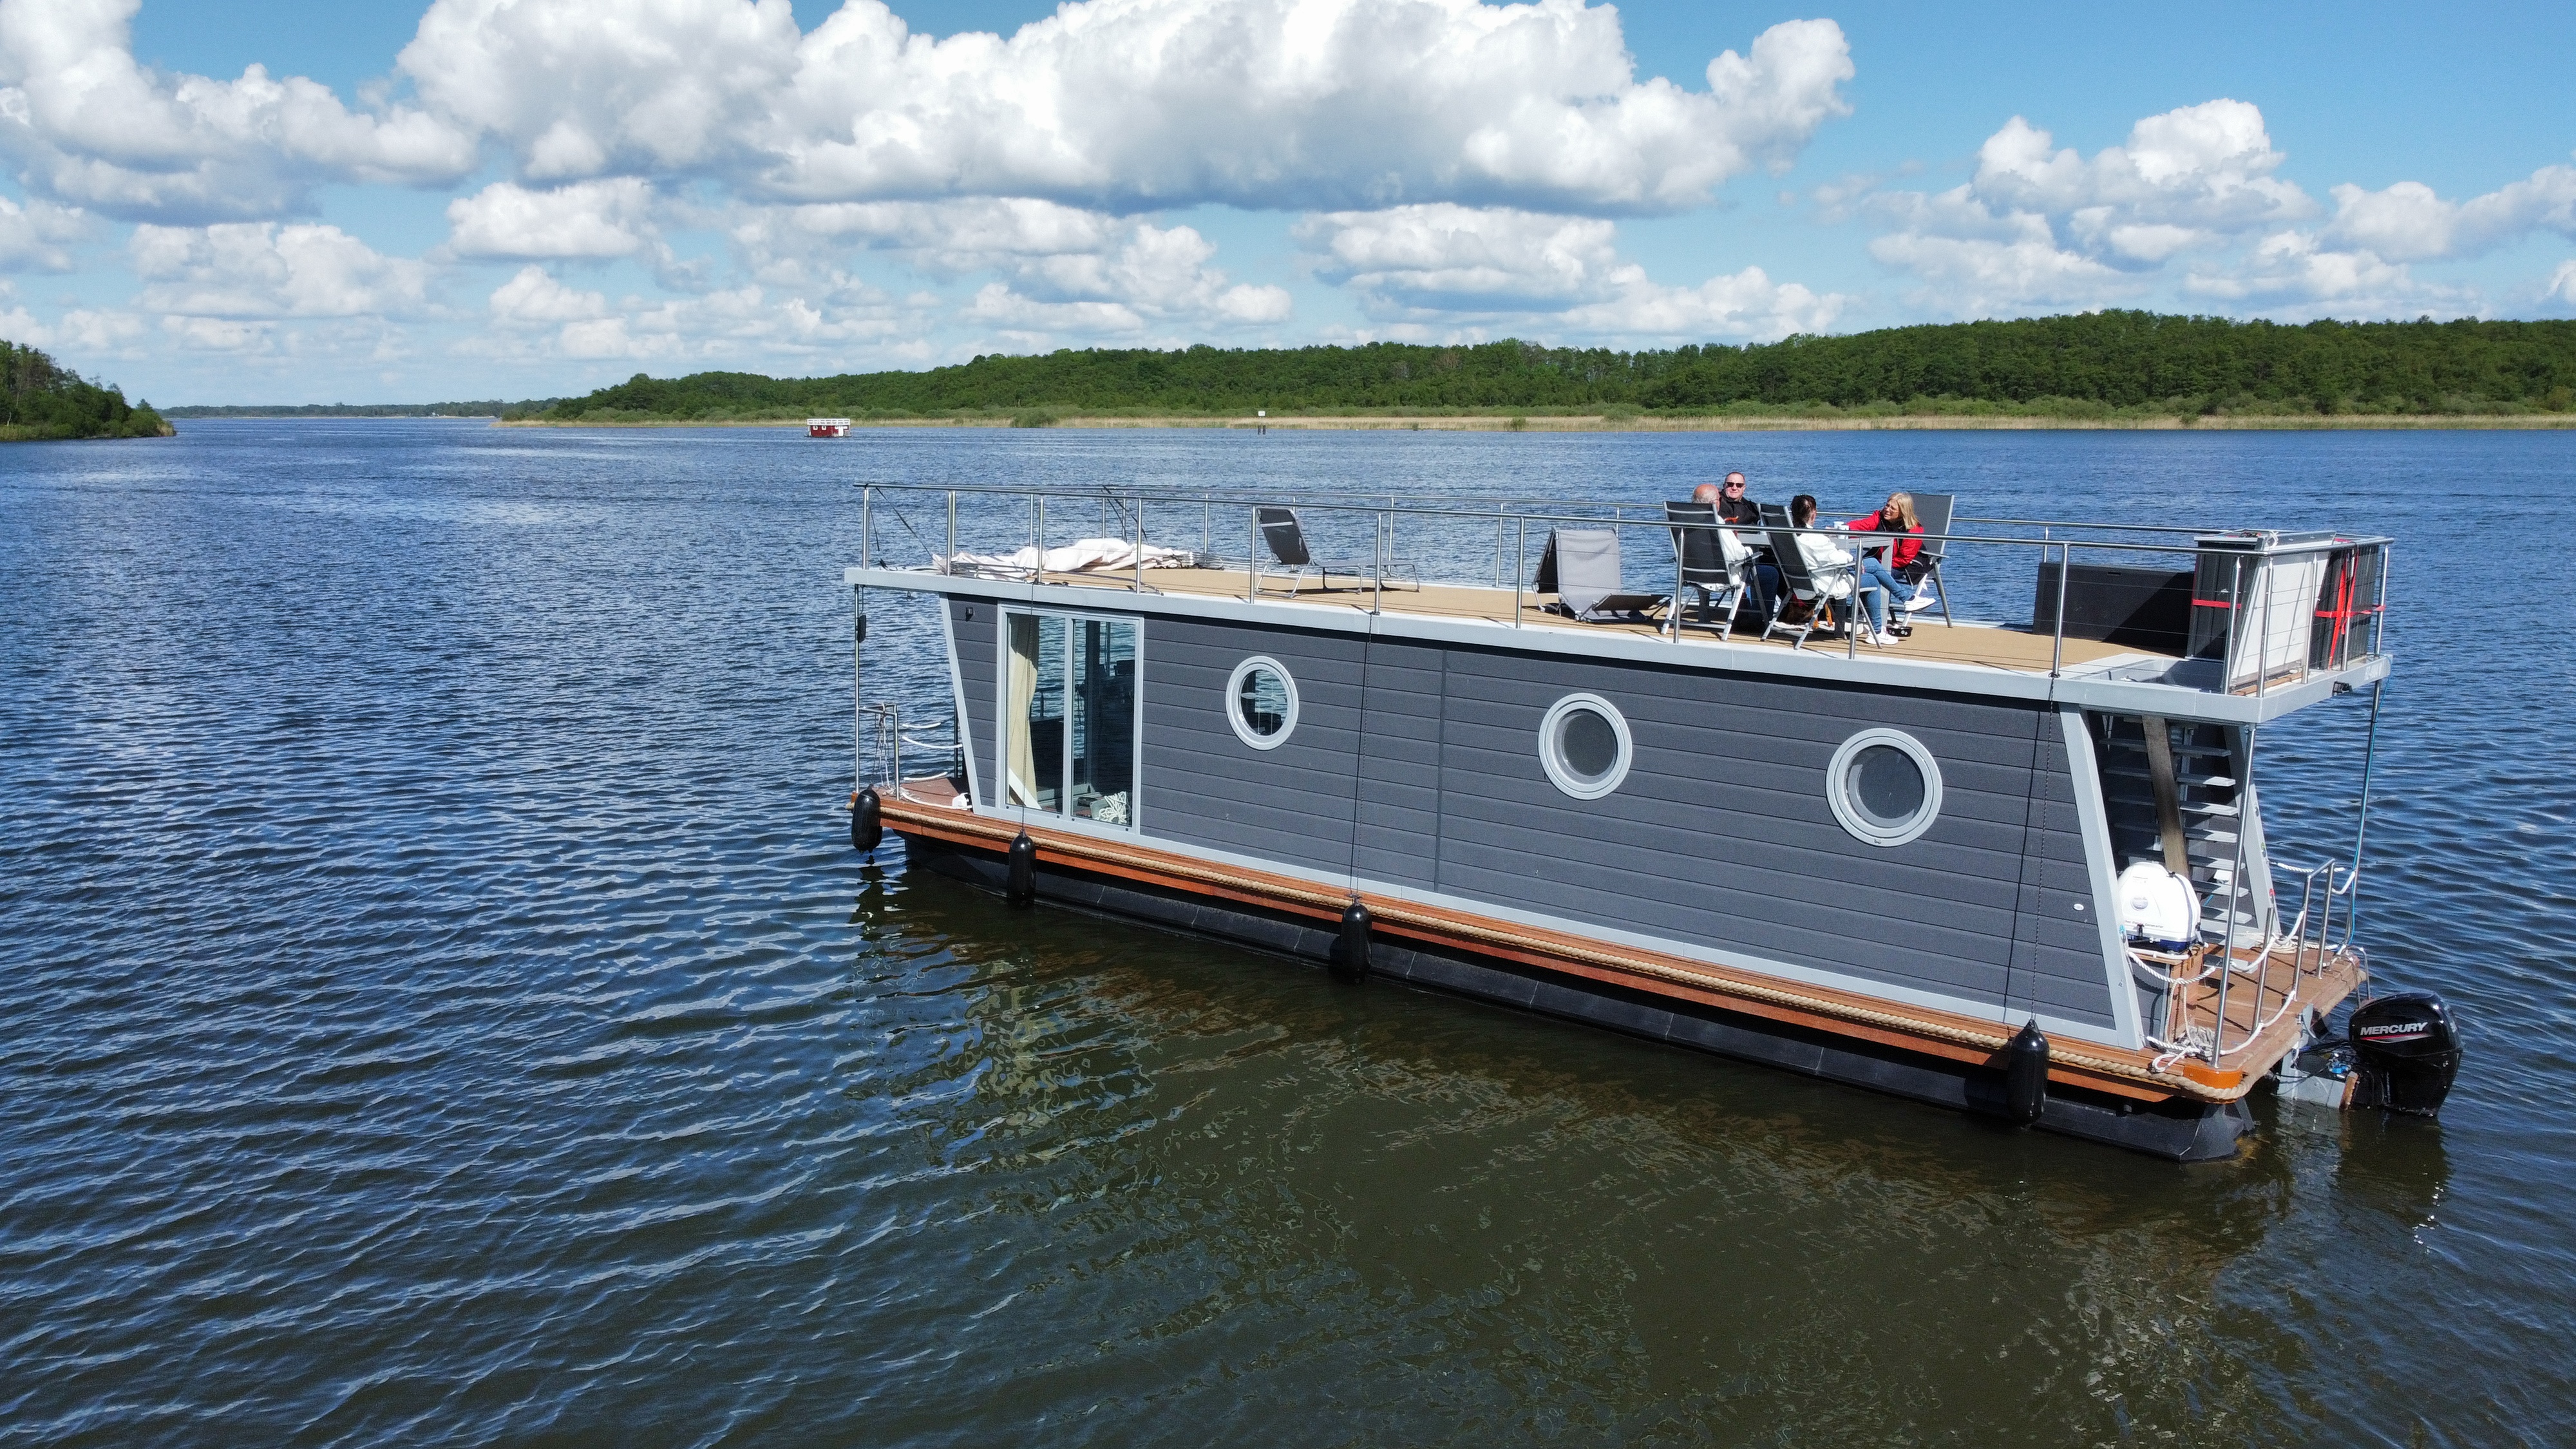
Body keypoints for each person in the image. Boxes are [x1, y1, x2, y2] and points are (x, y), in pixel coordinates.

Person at [1789, 493, 1897, 643]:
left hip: (1799, 585)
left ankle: (1905, 597)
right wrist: (1853, 561)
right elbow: (1836, 558)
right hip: (1825, 585)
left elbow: (1825, 556)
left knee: (1871, 563)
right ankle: (1877, 631)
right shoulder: (1816, 539)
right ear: (1814, 513)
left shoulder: (1789, 536)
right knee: (1872, 580)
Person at [1692, 474, 1778, 621]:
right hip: (1725, 574)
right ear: (1715, 502)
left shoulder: (1686, 520)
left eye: (1739, 485)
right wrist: (1750, 552)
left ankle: (1742, 614)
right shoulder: (1719, 523)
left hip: (1693, 573)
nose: (1734, 488)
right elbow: (1738, 554)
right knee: (1771, 573)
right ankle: (1760, 620)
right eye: (1730, 484)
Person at [1844, 491, 1931, 625]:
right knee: (1868, 574)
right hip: (1879, 560)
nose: (1887, 510)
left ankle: (1865, 617)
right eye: (1887, 505)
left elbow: (1904, 559)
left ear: (1902, 512)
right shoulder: (1879, 518)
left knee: (1872, 576)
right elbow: (1862, 525)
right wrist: (1844, 529)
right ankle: (1904, 602)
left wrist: (1878, 565)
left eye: (1892, 508)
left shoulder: (1914, 530)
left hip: (1906, 566)